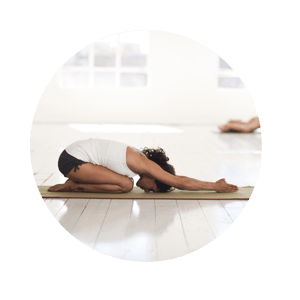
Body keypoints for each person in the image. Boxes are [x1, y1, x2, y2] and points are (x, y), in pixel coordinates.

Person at [48, 138, 239, 194]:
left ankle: (74, 182)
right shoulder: (145, 165)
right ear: (154, 177)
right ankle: (72, 185)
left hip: (73, 156)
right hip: (73, 161)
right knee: (126, 185)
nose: (148, 192)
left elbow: (177, 179)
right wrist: (214, 186)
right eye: (153, 189)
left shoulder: (140, 163)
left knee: (125, 182)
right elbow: (178, 181)